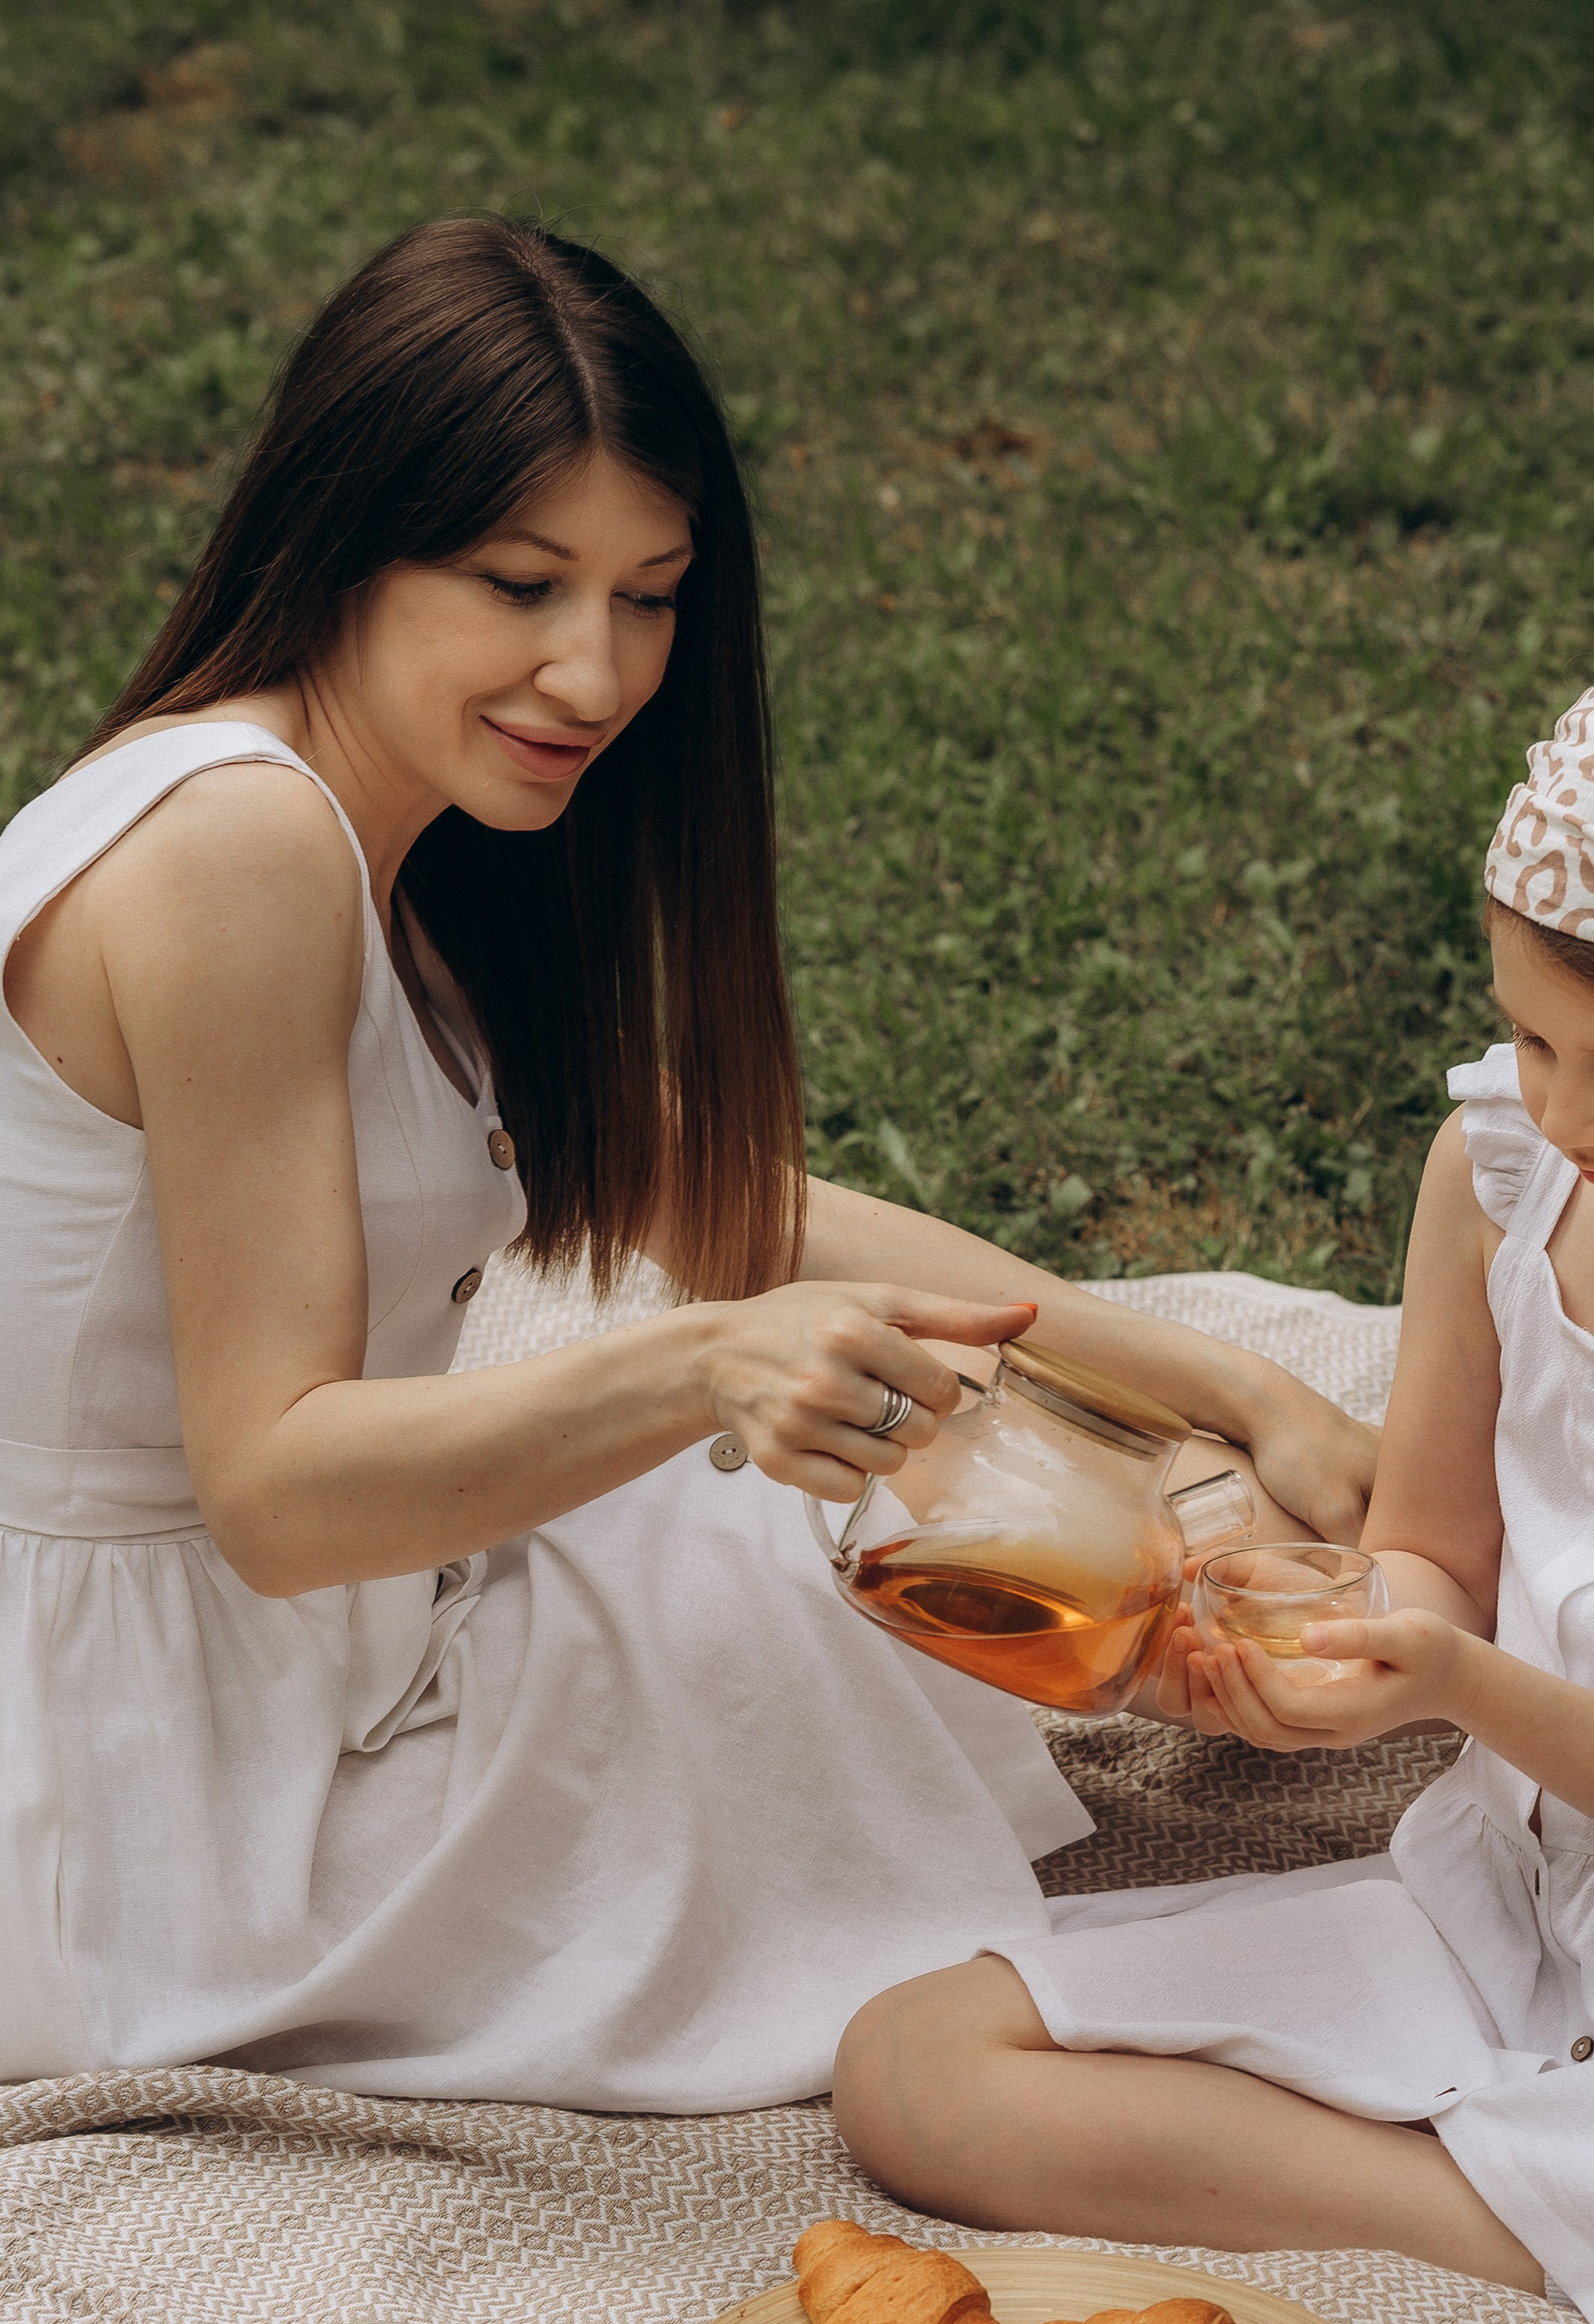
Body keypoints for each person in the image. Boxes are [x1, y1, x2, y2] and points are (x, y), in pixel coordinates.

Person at [0, 215, 1377, 2109]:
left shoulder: (412, 825)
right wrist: (698, 1364)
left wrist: (1227, 1389)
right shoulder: (232, 851)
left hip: (308, 1629)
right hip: (134, 1773)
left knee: (854, 1532)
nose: (593, 671)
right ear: (340, 541)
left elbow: (724, 1202)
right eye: (519, 582)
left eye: (650, 596)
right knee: (790, 1630)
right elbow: (275, 1491)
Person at [837, 642, 1594, 2324]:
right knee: (914, 2071)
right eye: (1532, 1037)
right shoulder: (1497, 1175)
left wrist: (1460, 1687)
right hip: (1508, 1902)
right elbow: (1429, 1560)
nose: (1565, 1108)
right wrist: (1314, 1652)